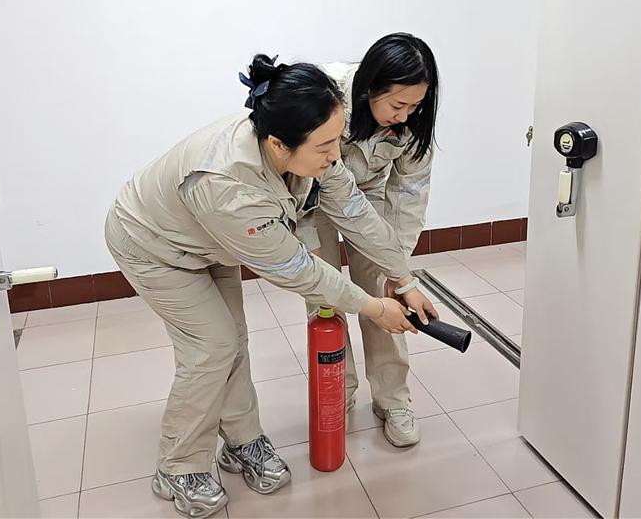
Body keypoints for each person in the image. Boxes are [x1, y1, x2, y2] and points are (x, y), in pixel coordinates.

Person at [105, 53, 438, 518]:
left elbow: (356, 211)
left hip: (208, 241)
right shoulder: (228, 186)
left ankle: (242, 440)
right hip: (153, 244)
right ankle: (178, 465)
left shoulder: (308, 142)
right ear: (280, 145)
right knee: (212, 347)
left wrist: (402, 278)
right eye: (326, 146)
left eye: (337, 140)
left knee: (234, 340)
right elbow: (299, 270)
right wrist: (373, 307)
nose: (336, 155)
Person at [298, 33, 440, 448]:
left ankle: (393, 400)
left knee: (384, 292)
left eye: (415, 105)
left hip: (369, 195)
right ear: (370, 87)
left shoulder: (413, 123)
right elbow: (296, 176)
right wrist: (307, 242)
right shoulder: (326, 96)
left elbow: (409, 195)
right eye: (397, 105)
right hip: (311, 198)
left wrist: (400, 270)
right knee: (325, 295)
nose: (405, 114)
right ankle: (336, 391)